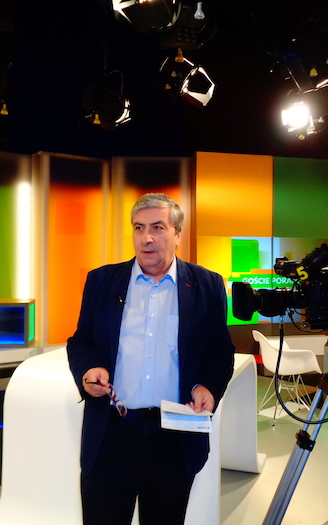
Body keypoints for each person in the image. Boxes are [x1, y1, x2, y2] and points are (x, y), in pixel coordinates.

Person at [67, 192, 235, 525]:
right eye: (139, 227)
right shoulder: (102, 281)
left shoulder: (207, 285)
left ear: (177, 234)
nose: (146, 238)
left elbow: (219, 350)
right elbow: (81, 341)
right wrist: (89, 369)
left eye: (158, 227)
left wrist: (207, 387)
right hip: (111, 432)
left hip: (173, 435)